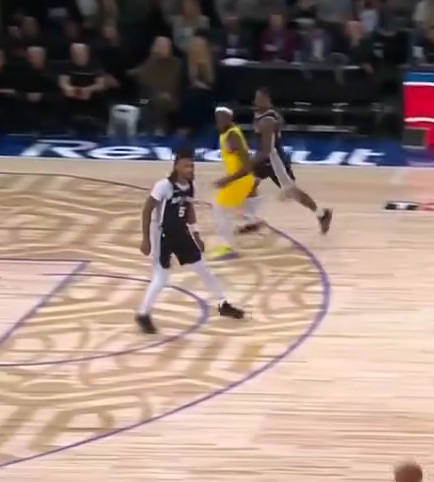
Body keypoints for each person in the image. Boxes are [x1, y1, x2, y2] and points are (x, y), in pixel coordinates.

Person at [137, 150, 246, 334]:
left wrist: (196, 234)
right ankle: (143, 314)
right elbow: (147, 211)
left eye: (192, 166)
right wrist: (146, 239)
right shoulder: (163, 186)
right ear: (176, 166)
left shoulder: (191, 186)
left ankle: (223, 304)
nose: (189, 169)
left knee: (203, 268)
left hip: (182, 233)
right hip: (162, 236)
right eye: (186, 166)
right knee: (161, 277)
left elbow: (189, 210)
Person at [213, 88, 333, 235]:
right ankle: (251, 221)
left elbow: (266, 150)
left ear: (267, 100)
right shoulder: (261, 115)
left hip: (275, 161)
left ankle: (322, 214)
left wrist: (247, 164)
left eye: (259, 99)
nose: (255, 101)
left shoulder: (268, 120)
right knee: (249, 184)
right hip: (265, 159)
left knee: (292, 191)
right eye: (255, 98)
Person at [209, 107, 259, 260]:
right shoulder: (227, 134)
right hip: (241, 179)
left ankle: (229, 247)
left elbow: (247, 166)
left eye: (221, 118)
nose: (218, 121)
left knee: (220, 209)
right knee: (232, 209)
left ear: (229, 118)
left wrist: (227, 180)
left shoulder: (232, 136)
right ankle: (251, 220)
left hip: (240, 180)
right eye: (217, 118)